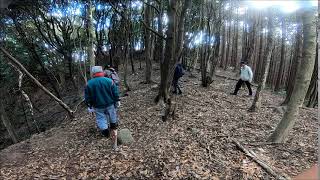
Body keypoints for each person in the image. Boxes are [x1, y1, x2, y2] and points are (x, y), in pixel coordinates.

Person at [85, 66, 120, 144]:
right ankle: (113, 128)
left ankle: (106, 133)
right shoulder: (109, 81)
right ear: (101, 71)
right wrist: (117, 100)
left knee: (101, 118)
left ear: (93, 73)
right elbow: (115, 92)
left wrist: (89, 106)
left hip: (97, 106)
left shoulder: (89, 84)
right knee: (112, 115)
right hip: (110, 103)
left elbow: (87, 97)